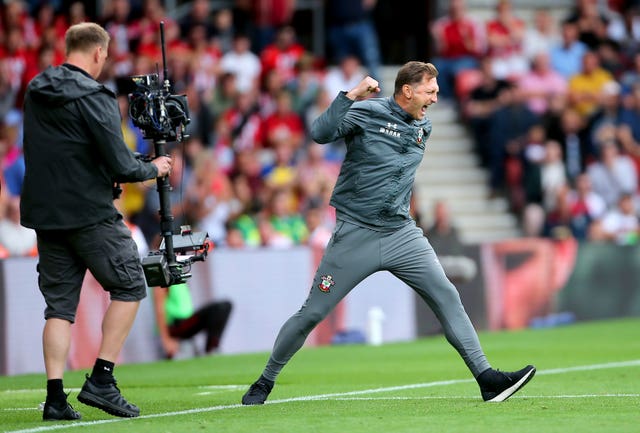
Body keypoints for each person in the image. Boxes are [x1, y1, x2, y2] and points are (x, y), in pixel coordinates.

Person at [241, 61, 535, 405]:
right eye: (430, 91)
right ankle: (265, 381)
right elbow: (320, 133)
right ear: (407, 90)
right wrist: (350, 96)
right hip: (355, 235)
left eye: (437, 92)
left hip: (401, 233)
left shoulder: (424, 126)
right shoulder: (366, 112)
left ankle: (487, 380)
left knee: (446, 295)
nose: (436, 100)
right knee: (313, 314)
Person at [20, 22, 173, 421]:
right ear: (99, 54)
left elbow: (65, 151)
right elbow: (121, 161)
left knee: (58, 309)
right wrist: (153, 167)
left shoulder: (36, 89)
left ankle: (55, 399)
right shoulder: (94, 95)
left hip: (46, 215)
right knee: (130, 285)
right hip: (88, 213)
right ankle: (102, 379)